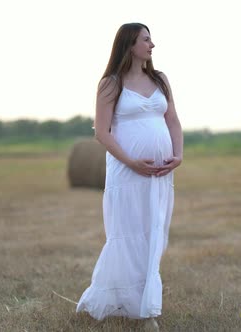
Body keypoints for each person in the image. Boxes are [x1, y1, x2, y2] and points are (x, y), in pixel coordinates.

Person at [76, 23, 183, 329]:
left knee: (153, 234)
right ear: (130, 44)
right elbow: (102, 133)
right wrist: (132, 162)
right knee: (128, 234)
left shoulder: (160, 80)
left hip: (159, 173)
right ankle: (145, 312)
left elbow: (173, 120)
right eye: (146, 39)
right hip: (127, 172)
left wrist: (178, 155)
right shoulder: (111, 83)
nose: (152, 45)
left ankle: (142, 301)